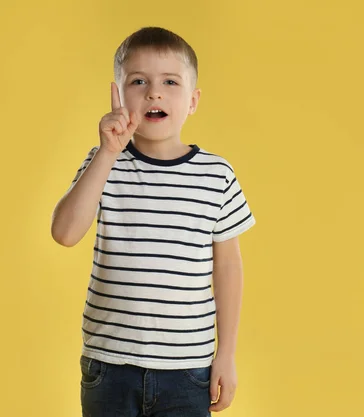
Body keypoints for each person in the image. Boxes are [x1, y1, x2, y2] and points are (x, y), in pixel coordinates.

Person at [51, 26, 256, 416]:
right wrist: (108, 152)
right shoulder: (104, 163)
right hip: (109, 366)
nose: (154, 92)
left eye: (170, 82)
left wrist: (225, 356)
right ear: (118, 93)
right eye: (138, 81)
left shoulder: (217, 175)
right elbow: (64, 233)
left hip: (187, 370)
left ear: (193, 100)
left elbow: (228, 266)